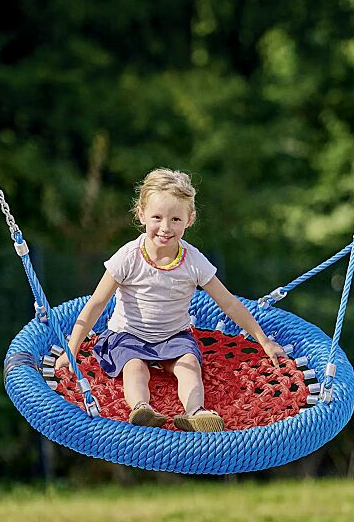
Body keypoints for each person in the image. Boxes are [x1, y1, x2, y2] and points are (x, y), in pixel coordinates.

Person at [56, 168, 286, 431]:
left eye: (176, 219)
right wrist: (71, 350)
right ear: (141, 215)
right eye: (157, 217)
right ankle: (142, 409)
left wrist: (263, 340)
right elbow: (97, 303)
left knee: (189, 365)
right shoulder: (128, 256)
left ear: (190, 219)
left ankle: (195, 413)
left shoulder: (193, 261)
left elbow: (229, 303)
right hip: (127, 335)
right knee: (135, 367)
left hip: (174, 335)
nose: (165, 228)